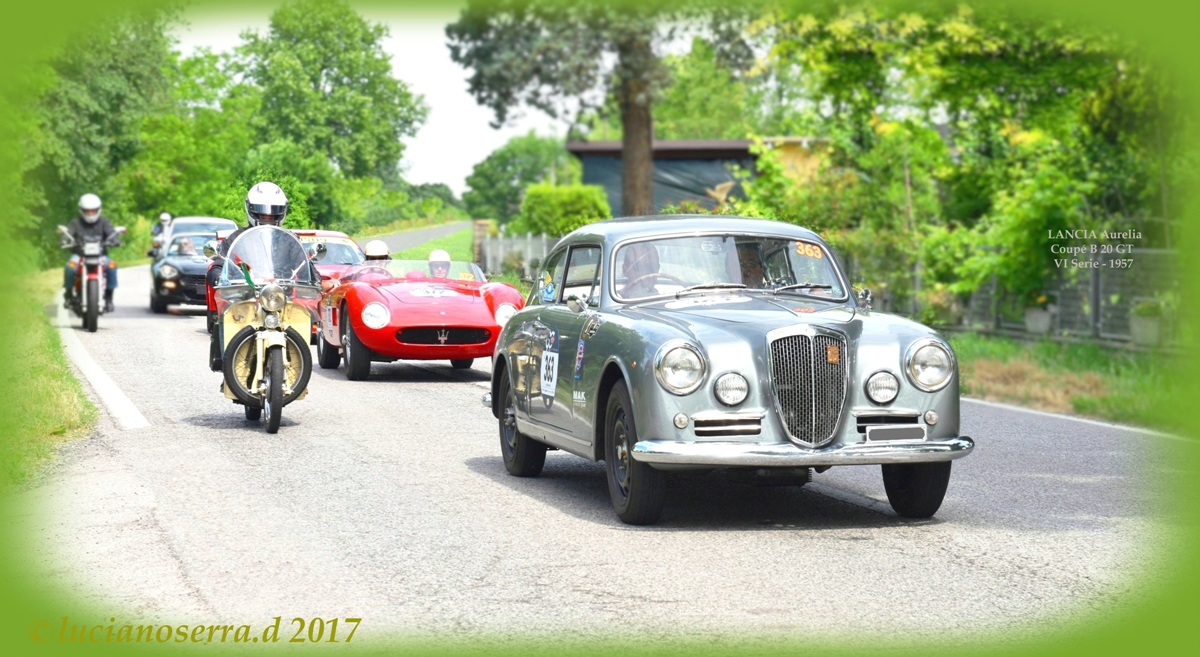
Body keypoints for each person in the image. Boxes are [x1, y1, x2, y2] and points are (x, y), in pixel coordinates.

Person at [63, 193, 121, 312]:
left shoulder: (104, 222)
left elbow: (111, 233)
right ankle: (68, 295)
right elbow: (67, 233)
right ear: (81, 210)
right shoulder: (75, 223)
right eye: (87, 211)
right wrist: (64, 239)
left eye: (93, 211)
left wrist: (115, 240)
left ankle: (109, 297)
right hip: (80, 256)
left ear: (98, 210)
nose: (90, 213)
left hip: (100, 256)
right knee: (70, 267)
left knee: (111, 266)